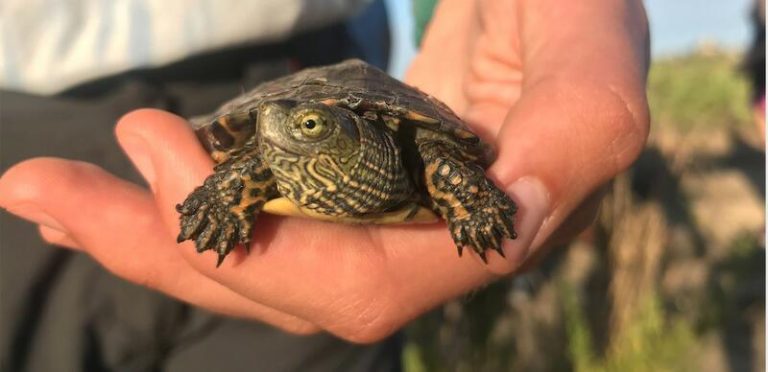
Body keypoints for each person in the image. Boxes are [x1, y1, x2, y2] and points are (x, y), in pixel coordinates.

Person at [0, 0, 650, 369]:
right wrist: (225, 197)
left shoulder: (412, 147)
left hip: (314, 42)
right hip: (29, 100)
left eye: (306, 125)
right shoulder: (273, 136)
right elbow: (268, 141)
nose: (284, 132)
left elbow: (451, 159)